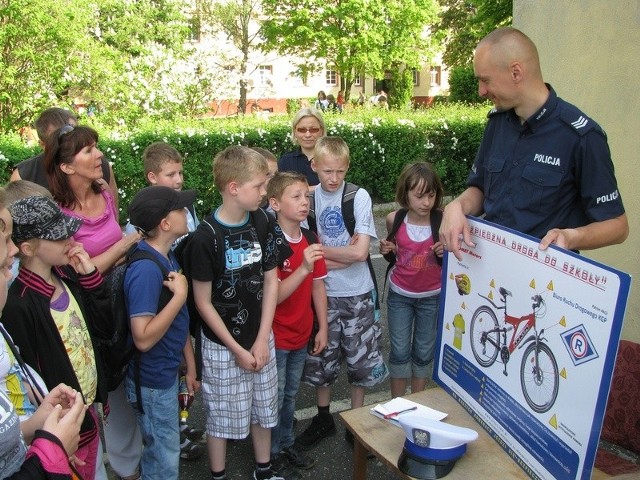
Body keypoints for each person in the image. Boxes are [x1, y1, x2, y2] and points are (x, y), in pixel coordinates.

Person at [439, 27, 628, 258]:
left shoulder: (581, 136)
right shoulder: (497, 123)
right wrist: (456, 207)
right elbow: (479, 188)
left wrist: (571, 236)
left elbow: (617, 226)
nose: (481, 91)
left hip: (542, 283)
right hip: (489, 270)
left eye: (485, 80)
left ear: (516, 73)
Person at [185, 146, 291, 480]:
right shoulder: (205, 238)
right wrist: (238, 349)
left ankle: (263, 469)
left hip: (261, 338)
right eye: (259, 186)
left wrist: (261, 341)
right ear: (234, 188)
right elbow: (202, 302)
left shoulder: (262, 220)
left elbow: (272, 279)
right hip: (222, 347)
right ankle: (218, 474)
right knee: (221, 416)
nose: (264, 192)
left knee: (263, 409)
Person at [44, 124, 143, 480]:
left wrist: (111, 259)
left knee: (120, 392)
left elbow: (98, 259)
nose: (98, 154)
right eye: (87, 150)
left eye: (96, 146)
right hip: (87, 314)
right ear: (67, 167)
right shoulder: (57, 214)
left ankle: (128, 467)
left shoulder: (105, 192)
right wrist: (122, 247)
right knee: (95, 393)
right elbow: (77, 272)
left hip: (119, 302)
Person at [2, 196, 115, 480]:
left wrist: (90, 277)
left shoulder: (67, 275)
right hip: (64, 424)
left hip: (86, 414)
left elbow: (105, 328)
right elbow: (31, 377)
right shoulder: (19, 304)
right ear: (27, 248)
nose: (71, 239)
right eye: (59, 235)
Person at [295, 137, 388, 450]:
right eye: (326, 172)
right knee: (322, 359)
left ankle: (357, 422)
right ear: (314, 167)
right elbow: (303, 255)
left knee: (360, 363)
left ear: (347, 168)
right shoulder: (306, 199)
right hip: (324, 295)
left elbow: (361, 254)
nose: (333, 178)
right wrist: (336, 255)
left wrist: (320, 256)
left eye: (339, 171)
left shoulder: (357, 196)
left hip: (358, 293)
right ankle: (324, 419)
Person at [124, 186, 199, 479]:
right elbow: (142, 338)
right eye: (180, 210)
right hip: (153, 381)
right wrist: (180, 296)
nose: (186, 213)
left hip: (166, 373)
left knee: (165, 452)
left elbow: (176, 322)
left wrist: (190, 366)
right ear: (165, 224)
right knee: (163, 459)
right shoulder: (146, 269)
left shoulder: (166, 256)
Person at [266, 172, 329, 477]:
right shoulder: (271, 243)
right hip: (275, 337)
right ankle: (269, 454)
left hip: (301, 334)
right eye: (296, 196)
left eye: (306, 196)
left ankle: (286, 442)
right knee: (273, 399)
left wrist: (324, 328)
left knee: (290, 395)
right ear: (275, 203)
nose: (304, 202)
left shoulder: (311, 238)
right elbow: (274, 296)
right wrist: (302, 267)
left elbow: (319, 286)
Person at [378, 163, 445, 398]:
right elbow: (394, 256)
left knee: (424, 352)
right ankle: (397, 402)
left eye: (431, 195)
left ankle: (417, 402)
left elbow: (457, 261)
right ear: (405, 194)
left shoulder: (442, 221)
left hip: (431, 297)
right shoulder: (394, 219)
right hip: (400, 296)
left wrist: (444, 254)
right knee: (399, 350)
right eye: (419, 196)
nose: (426, 202)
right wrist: (388, 249)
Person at [10, 108, 118, 210]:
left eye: (75, 134)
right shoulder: (24, 175)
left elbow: (114, 220)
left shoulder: (100, 166)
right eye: (60, 141)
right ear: (43, 145)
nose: (70, 143)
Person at [277, 108, 325, 189]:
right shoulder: (285, 161)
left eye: (313, 130)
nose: (307, 135)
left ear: (321, 131)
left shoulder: (330, 159)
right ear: (295, 132)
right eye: (302, 130)